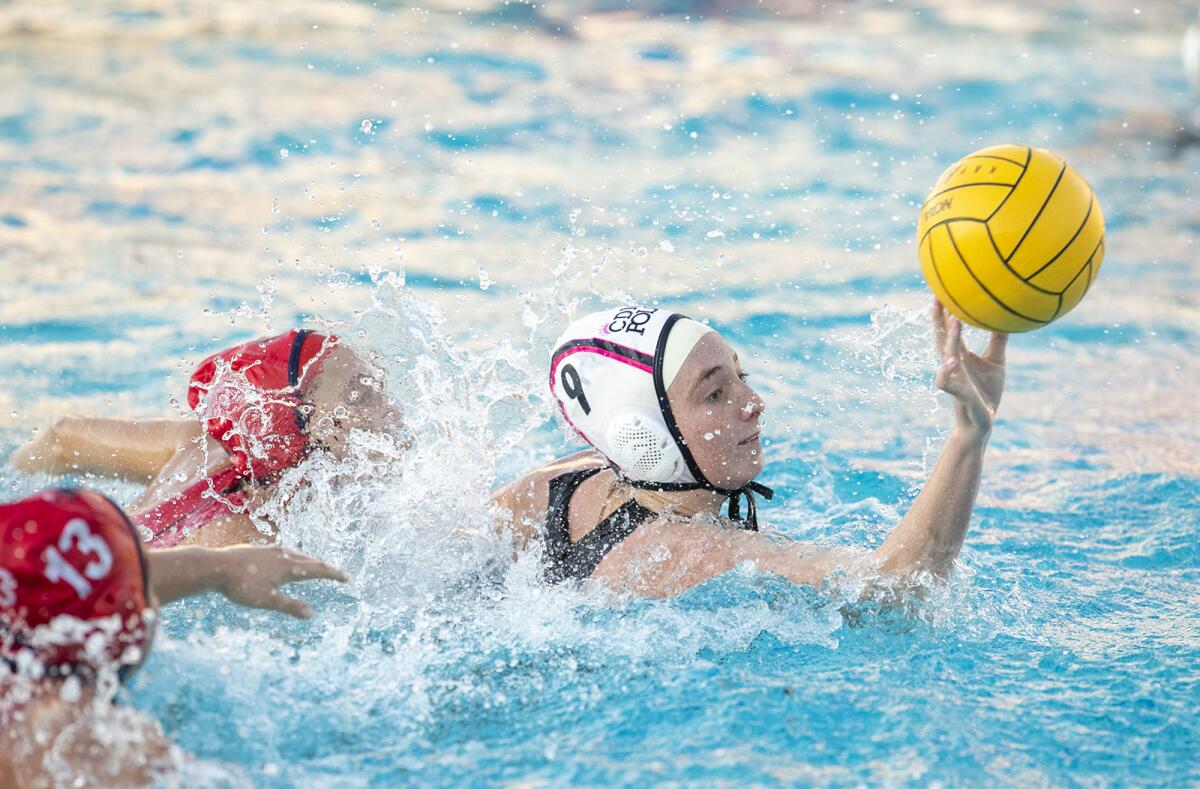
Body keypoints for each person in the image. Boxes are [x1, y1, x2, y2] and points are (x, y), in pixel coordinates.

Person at [491, 301, 1007, 598]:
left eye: (743, 377)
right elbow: (897, 588)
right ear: (645, 437)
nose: (754, 404)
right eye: (715, 393)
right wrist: (969, 436)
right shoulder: (687, 553)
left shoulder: (559, 484)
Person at [0, 486, 347, 787]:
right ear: (118, 634)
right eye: (141, 588)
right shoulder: (113, 759)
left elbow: (52, 593)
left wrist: (222, 568)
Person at [10, 329, 401, 549]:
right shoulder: (240, 535)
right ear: (299, 431)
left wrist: (16, 469)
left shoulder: (199, 444)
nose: (393, 411)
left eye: (377, 388)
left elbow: (61, 437)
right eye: (360, 395)